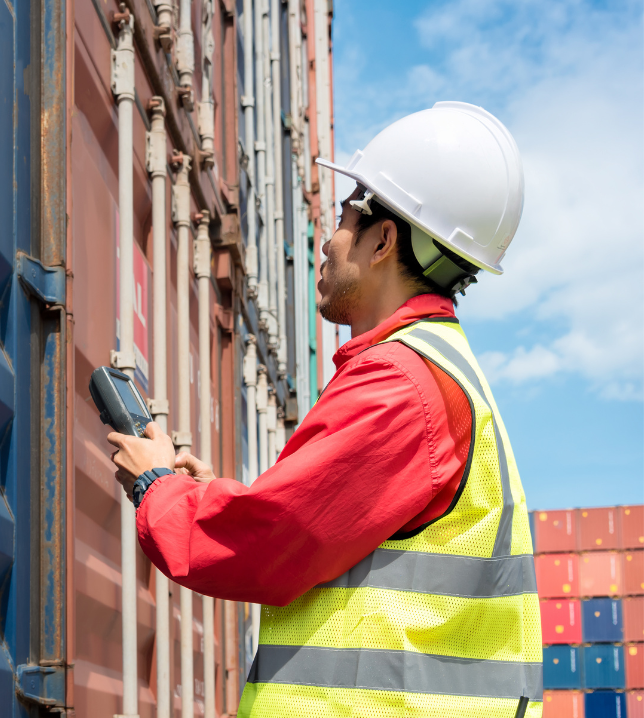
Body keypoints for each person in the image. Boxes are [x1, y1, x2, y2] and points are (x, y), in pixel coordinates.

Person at [108, 102, 542, 718]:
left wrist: (158, 487)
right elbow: (333, 535)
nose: (327, 239)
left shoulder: (400, 384)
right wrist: (224, 498)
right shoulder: (438, 370)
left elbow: (274, 544)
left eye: (343, 218)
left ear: (384, 239)